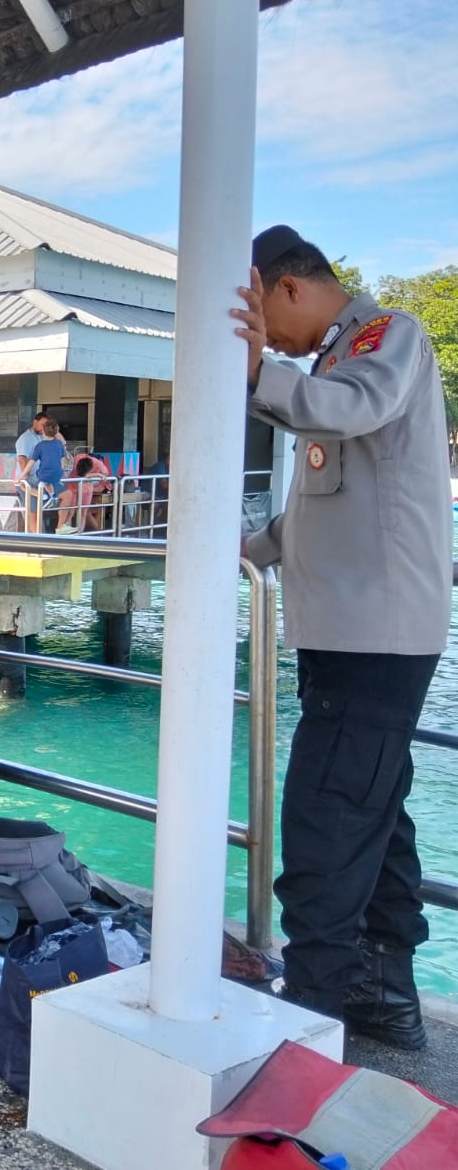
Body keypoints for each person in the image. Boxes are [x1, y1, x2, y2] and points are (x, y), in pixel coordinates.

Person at [234, 224, 451, 1049]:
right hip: (341, 629)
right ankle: (385, 988)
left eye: (259, 316)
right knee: (374, 808)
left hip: (380, 633)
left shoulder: (385, 337)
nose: (263, 337)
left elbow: (353, 410)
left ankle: (309, 1009)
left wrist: (261, 372)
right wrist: (247, 553)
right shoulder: (330, 363)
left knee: (325, 814)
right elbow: (323, 509)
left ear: (287, 286)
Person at [20, 419, 66, 533]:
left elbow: (31, 462)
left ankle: (42, 496)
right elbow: (62, 461)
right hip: (57, 475)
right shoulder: (59, 444)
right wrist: (61, 473)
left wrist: (22, 476)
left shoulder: (40, 446)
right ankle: (53, 496)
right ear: (56, 432)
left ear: (43, 432)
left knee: (23, 485)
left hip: (42, 475)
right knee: (47, 481)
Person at [14, 412, 49, 532]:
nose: (44, 427)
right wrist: (26, 479)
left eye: (47, 425)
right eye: (42, 424)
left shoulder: (41, 436)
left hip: (38, 480)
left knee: (38, 510)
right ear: (35, 422)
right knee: (33, 511)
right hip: (27, 481)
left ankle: (42, 537)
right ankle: (38, 539)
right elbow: (22, 459)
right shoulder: (26, 438)